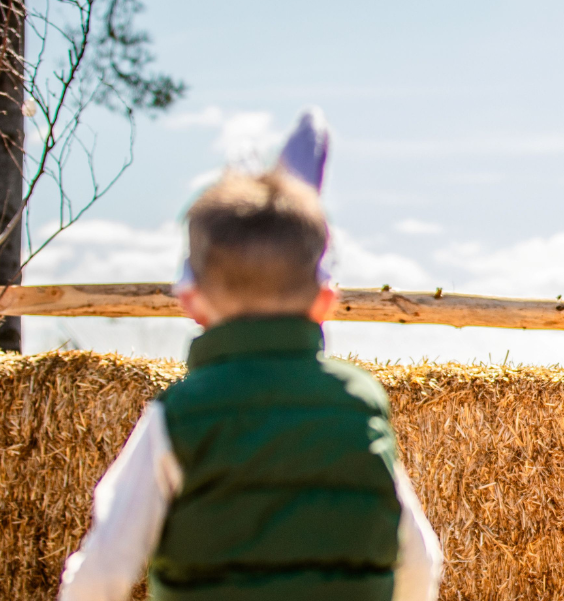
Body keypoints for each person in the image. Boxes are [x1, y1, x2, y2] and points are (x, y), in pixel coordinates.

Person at [57, 110, 443, 601]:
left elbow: (105, 571)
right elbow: (419, 558)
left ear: (191, 303)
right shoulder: (360, 402)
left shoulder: (181, 414)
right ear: (326, 301)